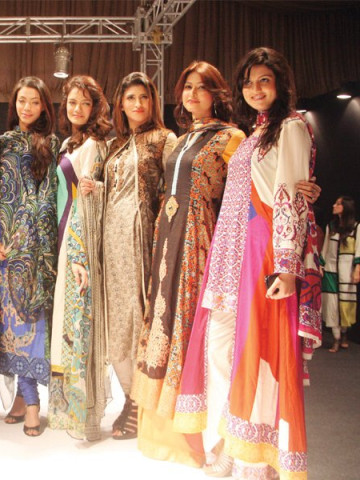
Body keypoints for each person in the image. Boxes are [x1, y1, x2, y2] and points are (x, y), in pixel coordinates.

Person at [173, 47, 322, 480]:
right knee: (219, 349)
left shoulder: (291, 127)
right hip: (228, 254)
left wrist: (288, 267)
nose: (255, 89)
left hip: (263, 253)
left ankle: (255, 458)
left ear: (280, 84)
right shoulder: (255, 133)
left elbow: (290, 196)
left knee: (258, 353)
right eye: (248, 82)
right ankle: (230, 438)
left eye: (264, 81)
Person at [130, 61, 245, 466]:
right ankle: (169, 432)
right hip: (168, 239)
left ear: (217, 93)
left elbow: (243, 195)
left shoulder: (232, 137)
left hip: (201, 241)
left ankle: (215, 438)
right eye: (187, 87)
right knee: (164, 319)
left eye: (201, 87)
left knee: (198, 330)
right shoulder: (181, 140)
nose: (192, 94)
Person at [103, 72, 176, 440]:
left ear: (153, 102)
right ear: (120, 103)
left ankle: (138, 402)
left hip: (141, 236)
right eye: (130, 97)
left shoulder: (164, 139)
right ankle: (128, 395)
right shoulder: (114, 144)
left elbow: (176, 190)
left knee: (137, 315)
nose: (137, 104)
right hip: (109, 239)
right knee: (114, 319)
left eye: (144, 97)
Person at [0, 76, 59, 436]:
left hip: (36, 247)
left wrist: (30, 236)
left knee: (32, 320)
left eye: (34, 102)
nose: (27, 107)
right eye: (21, 101)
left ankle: (32, 401)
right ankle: (20, 397)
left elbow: (49, 196)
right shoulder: (1, 143)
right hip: (4, 243)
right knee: (9, 324)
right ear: (13, 103)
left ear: (44, 106)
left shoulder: (51, 144)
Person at [47, 75, 112, 441]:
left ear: (96, 107)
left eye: (86, 103)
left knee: (77, 322)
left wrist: (78, 255)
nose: (78, 108)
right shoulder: (70, 142)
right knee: (65, 322)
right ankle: (68, 411)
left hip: (78, 244)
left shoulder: (95, 146)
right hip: (63, 241)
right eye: (72, 102)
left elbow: (89, 200)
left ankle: (84, 413)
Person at [321, 196, 360, 352]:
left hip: (346, 272)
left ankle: (344, 333)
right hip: (330, 271)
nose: (334, 205)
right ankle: (336, 338)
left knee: (345, 305)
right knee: (331, 305)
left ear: (346, 207)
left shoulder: (356, 227)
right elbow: (325, 248)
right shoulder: (331, 226)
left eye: (338, 204)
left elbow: (358, 249)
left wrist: (357, 269)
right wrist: (321, 266)